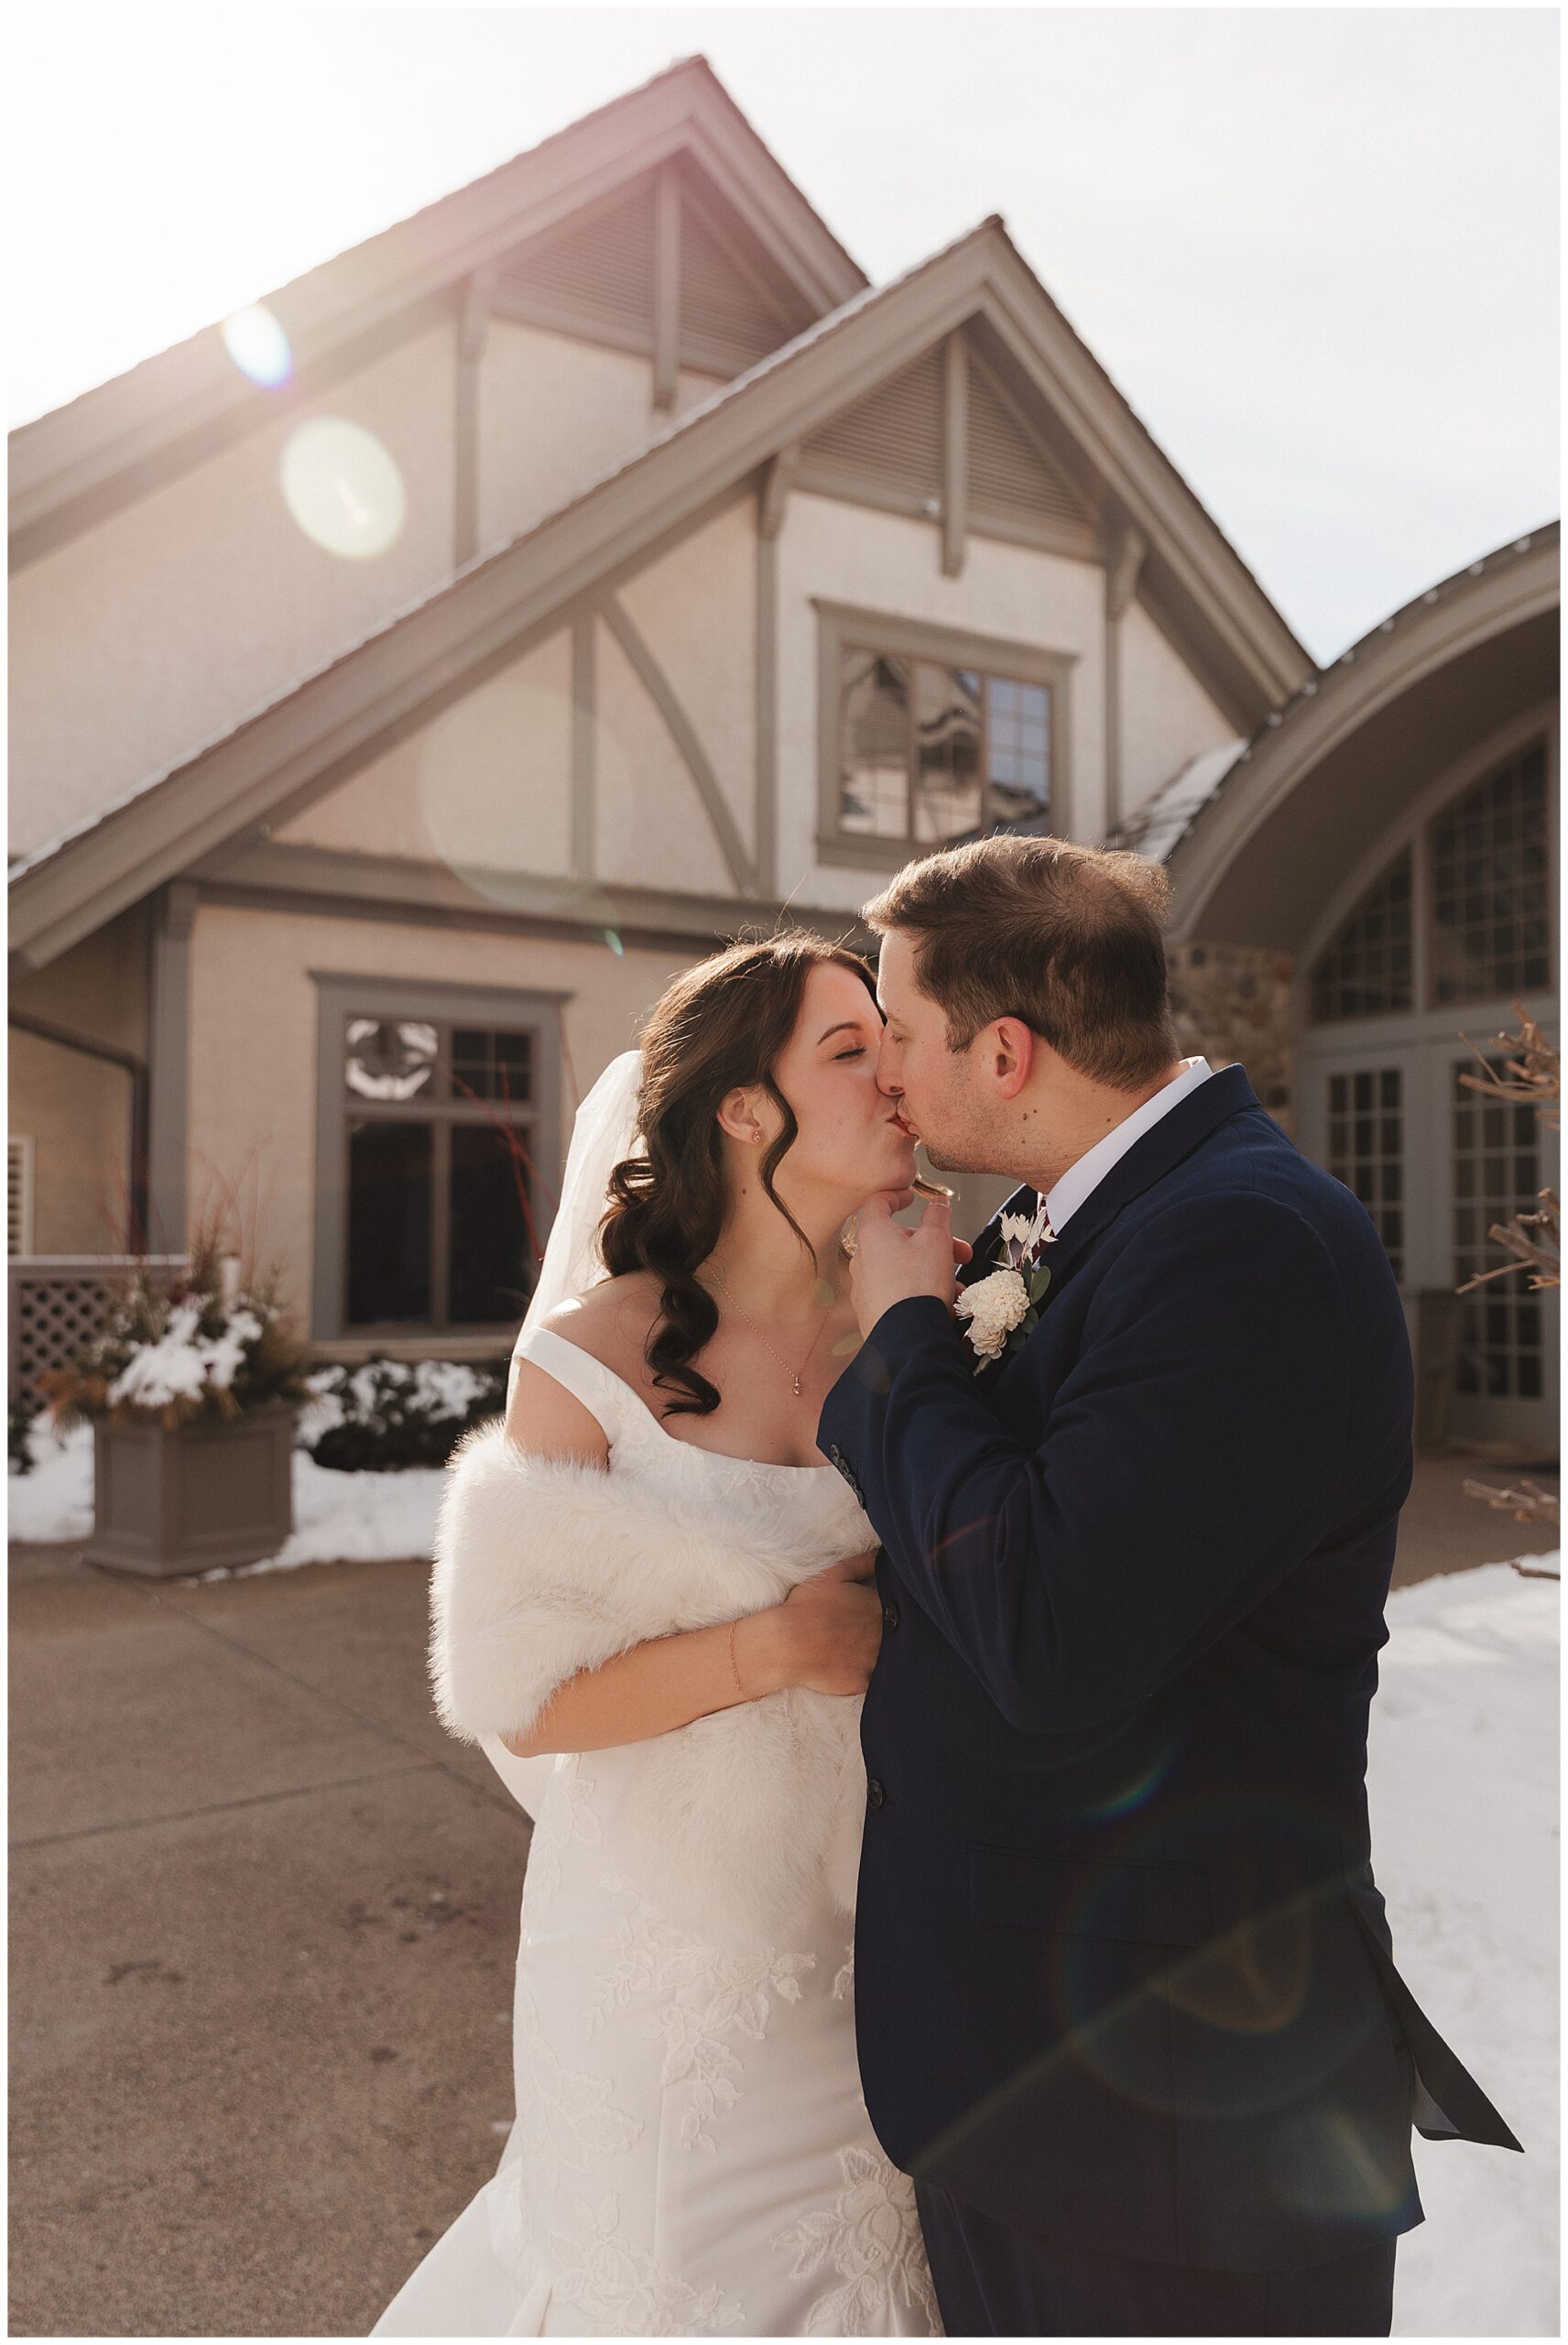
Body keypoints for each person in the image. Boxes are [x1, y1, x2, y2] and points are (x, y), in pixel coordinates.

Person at [815, 832, 1521, 2339]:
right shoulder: (1068, 1226)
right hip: (1029, 2094)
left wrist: (901, 1347)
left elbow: (1047, 1633)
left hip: (1172, 2136)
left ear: (1004, 1051)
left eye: (901, 1036)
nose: (886, 1076)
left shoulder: (1250, 1245)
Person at [371, 933, 943, 2338]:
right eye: (850, 1050)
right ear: (743, 1107)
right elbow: (521, 1696)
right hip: (671, 1963)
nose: (897, 1079)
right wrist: (774, 1651)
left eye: (894, 1041)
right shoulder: (589, 1356)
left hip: (894, 1943)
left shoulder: (920, 1331)